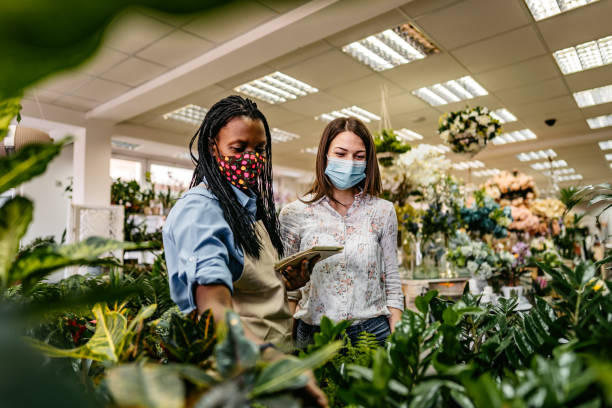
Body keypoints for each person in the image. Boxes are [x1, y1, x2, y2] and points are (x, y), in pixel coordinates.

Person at [162, 95, 327, 406]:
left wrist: (287, 282)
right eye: (238, 149)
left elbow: (249, 285)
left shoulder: (252, 210)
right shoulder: (201, 211)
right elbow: (213, 311)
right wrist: (272, 359)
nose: (251, 158)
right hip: (239, 378)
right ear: (213, 147)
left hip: (270, 371)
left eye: (260, 150)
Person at [279, 117, 404, 349]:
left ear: (368, 161)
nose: (350, 162)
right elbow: (288, 291)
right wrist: (282, 346)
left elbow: (393, 286)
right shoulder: (294, 213)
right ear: (324, 155)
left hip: (372, 333)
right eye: (341, 153)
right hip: (314, 335)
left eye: (359, 156)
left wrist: (399, 345)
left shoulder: (382, 211)